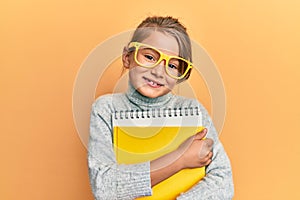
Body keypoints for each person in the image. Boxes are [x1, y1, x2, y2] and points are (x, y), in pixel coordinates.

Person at [88, 16, 234, 199]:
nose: (158, 72)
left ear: (182, 74)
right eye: (149, 57)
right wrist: (180, 159)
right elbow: (104, 189)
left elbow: (223, 181)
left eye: (172, 65)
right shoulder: (106, 109)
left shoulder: (193, 111)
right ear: (127, 58)